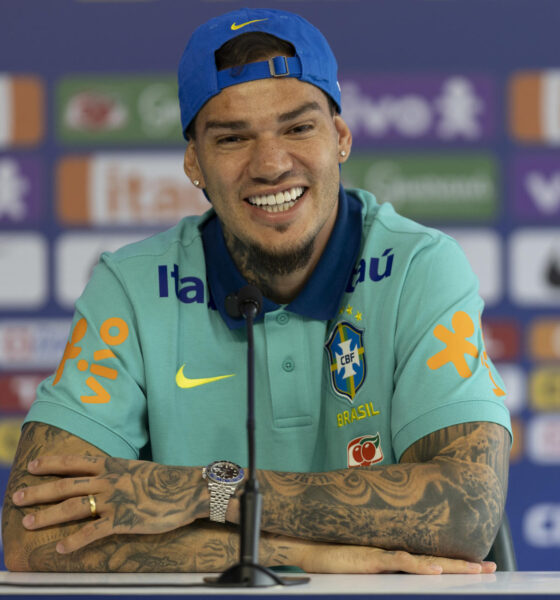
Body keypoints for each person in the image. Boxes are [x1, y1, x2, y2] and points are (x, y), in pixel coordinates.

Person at [2, 7, 511, 574]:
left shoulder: (418, 266)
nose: (270, 164)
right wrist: (299, 559)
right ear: (194, 162)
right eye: (232, 138)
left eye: (298, 128)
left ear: (340, 136)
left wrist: (200, 490)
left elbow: (466, 513)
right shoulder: (131, 285)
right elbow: (35, 540)